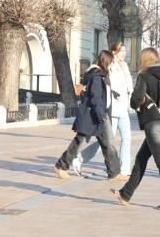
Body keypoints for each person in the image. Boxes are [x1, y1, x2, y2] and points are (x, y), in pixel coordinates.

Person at [111, 48, 160, 211]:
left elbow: (135, 100)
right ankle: (125, 194)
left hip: (153, 123)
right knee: (141, 158)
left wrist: (137, 102)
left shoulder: (144, 76)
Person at [52, 51, 121, 180]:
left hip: (98, 115)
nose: (112, 65)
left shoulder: (100, 75)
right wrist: (102, 116)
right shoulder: (96, 76)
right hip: (94, 116)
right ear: (106, 62)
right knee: (80, 142)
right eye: (111, 63)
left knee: (108, 144)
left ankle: (114, 173)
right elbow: (95, 98)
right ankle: (60, 166)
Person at [74, 42, 133, 178]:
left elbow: (128, 84)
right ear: (114, 52)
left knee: (127, 138)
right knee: (106, 142)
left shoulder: (124, 66)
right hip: (112, 109)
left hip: (123, 108)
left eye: (124, 51)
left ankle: (124, 169)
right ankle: (79, 158)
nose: (124, 53)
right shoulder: (109, 67)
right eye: (121, 51)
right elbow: (105, 86)